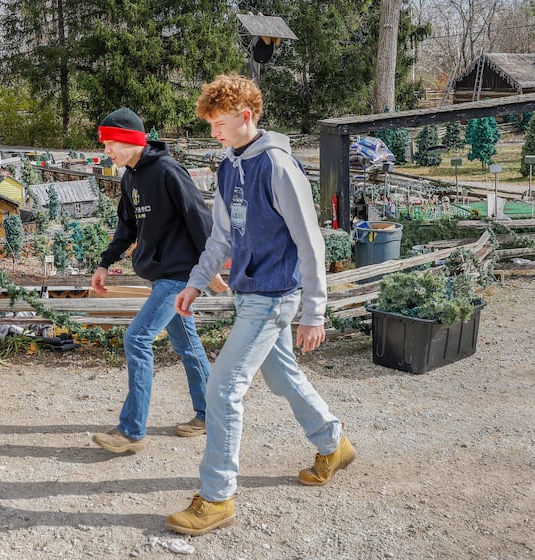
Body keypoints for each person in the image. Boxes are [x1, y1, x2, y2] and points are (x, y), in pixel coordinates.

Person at [167, 75, 356, 535]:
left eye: (220, 123)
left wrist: (314, 312)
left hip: (273, 298)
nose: (214, 131)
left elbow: (310, 242)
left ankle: (217, 497)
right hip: (248, 292)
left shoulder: (277, 166)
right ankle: (334, 444)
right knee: (281, 375)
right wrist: (196, 283)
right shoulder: (228, 166)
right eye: (211, 124)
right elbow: (221, 237)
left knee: (222, 389)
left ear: (246, 116)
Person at [90, 107, 227, 454]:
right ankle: (211, 414)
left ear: (130, 141)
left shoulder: (167, 170)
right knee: (187, 344)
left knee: (137, 339)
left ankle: (131, 431)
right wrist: (105, 263)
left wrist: (210, 268)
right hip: (160, 274)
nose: (107, 151)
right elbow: (127, 227)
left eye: (110, 144)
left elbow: (198, 216)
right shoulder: (130, 178)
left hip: (179, 275)